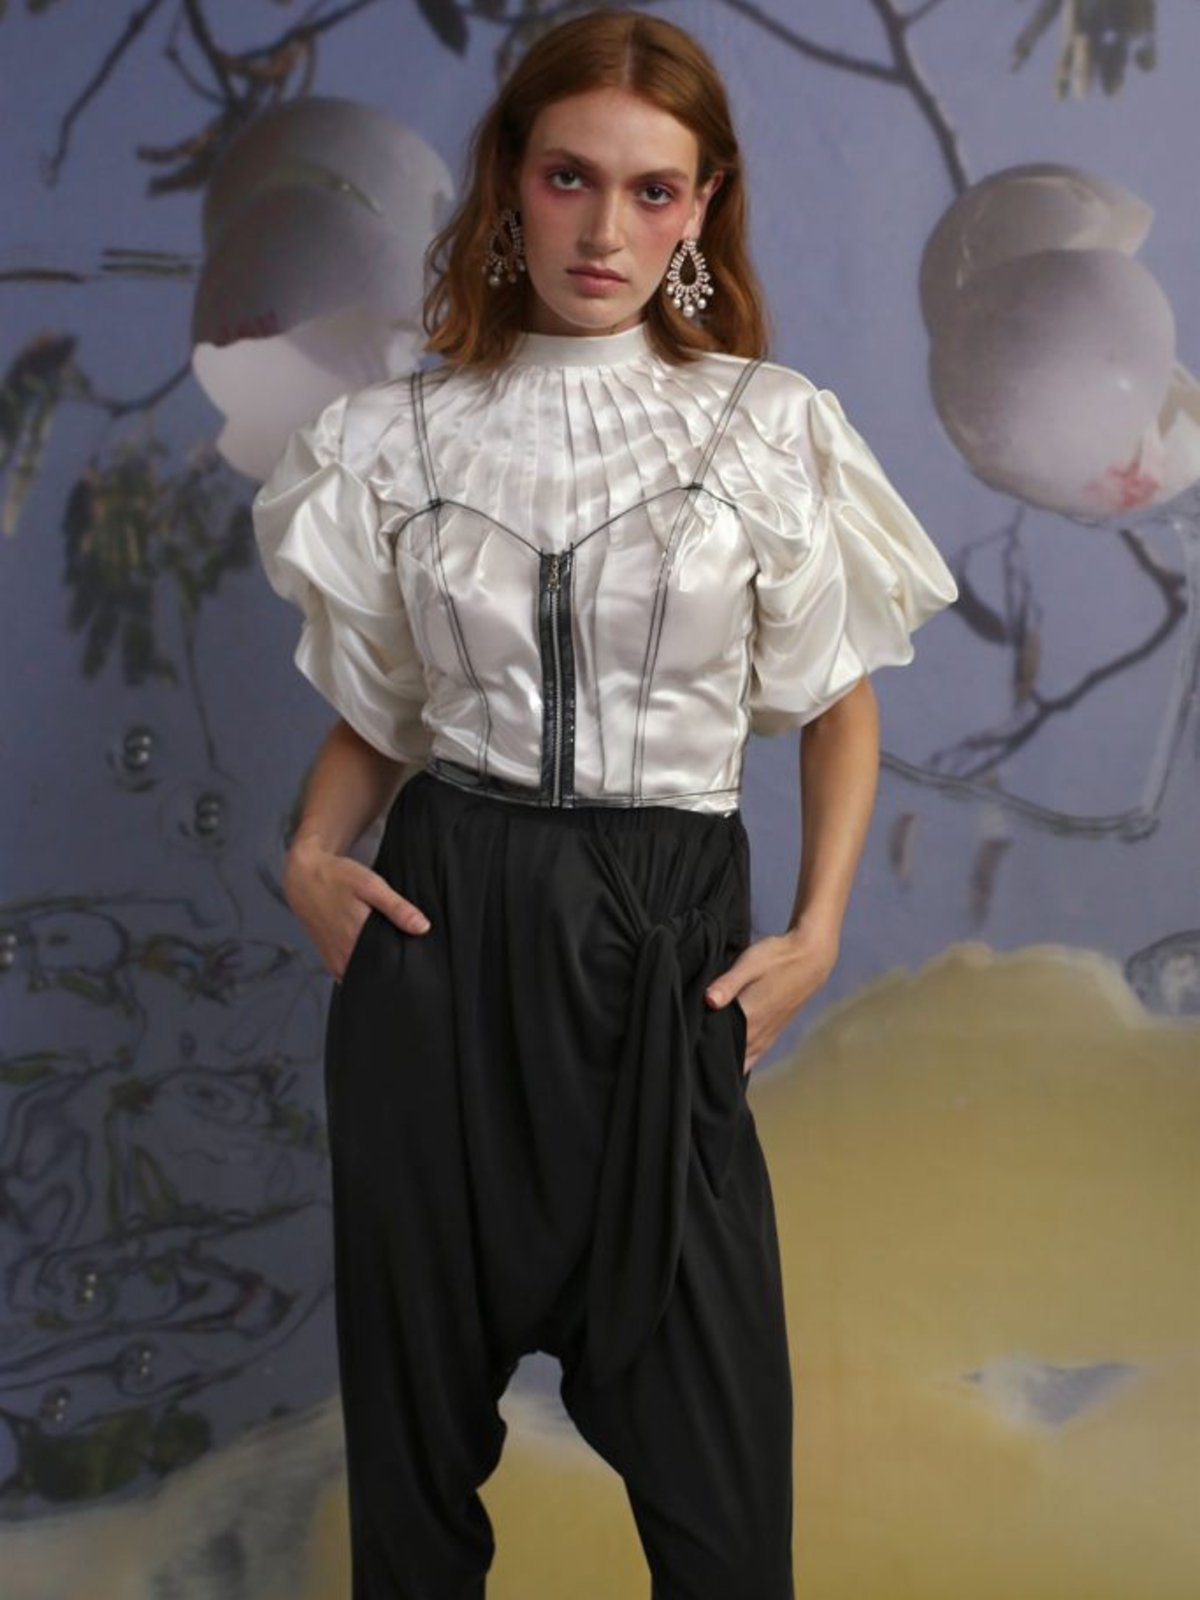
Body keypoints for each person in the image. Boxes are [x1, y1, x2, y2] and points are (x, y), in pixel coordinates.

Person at [252, 9, 957, 1597]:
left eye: (653, 190)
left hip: (664, 943)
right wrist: (307, 853)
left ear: (702, 207)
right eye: (571, 177)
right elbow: (390, 708)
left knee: (722, 1527)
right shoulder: (393, 437)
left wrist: (818, 932)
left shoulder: (769, 428)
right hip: (443, 941)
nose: (606, 229)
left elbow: (838, 701)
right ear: (513, 179)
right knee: (414, 1509)